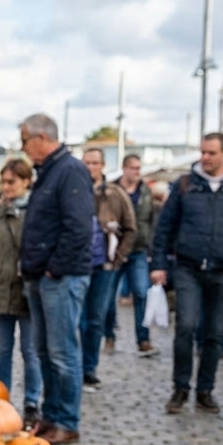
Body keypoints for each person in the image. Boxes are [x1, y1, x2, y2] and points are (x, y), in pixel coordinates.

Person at [150, 132, 223, 415]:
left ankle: (205, 390)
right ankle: (180, 387)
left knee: (214, 334)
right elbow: (164, 227)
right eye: (203, 152)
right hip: (188, 266)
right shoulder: (185, 185)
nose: (205, 158)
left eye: (211, 153)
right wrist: (159, 264)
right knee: (185, 327)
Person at [16, 114, 93, 445]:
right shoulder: (49, 171)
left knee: (62, 352)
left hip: (60, 277)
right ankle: (51, 416)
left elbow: (78, 227)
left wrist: (54, 268)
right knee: (45, 351)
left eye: (25, 140)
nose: (23, 148)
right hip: (41, 275)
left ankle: (67, 420)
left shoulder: (69, 170)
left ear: (42, 137)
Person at [0, 158, 41, 424]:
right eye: (3, 181)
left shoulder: (36, 209)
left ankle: (31, 402)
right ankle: (0, 399)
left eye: (11, 181)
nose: (6, 187)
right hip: (1, 285)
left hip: (26, 287)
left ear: (26, 181)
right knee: (2, 349)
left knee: (30, 349)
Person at [79, 148, 135, 391]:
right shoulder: (76, 190)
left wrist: (118, 258)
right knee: (78, 320)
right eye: (87, 162)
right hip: (77, 265)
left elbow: (130, 227)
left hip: (104, 264)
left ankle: (89, 368)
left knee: (95, 319)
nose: (91, 167)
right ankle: (76, 368)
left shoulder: (115, 194)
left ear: (102, 165)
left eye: (95, 163)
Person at [103, 154, 157, 356]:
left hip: (138, 250)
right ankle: (109, 335)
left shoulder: (145, 191)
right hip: (115, 250)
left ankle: (143, 339)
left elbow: (151, 219)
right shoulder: (111, 190)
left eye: (138, 168)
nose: (137, 172)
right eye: (133, 168)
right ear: (124, 169)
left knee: (141, 293)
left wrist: (150, 246)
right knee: (108, 296)